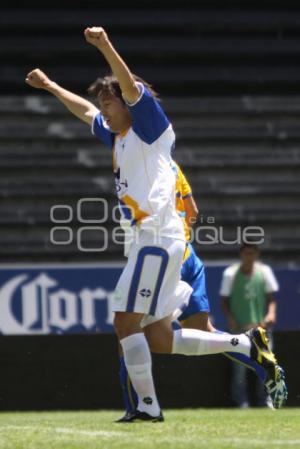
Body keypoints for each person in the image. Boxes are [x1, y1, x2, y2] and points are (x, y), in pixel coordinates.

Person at [25, 26, 285, 422]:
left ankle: (147, 408)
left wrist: (105, 45)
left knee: (124, 320)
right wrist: (51, 86)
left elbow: (129, 86)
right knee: (159, 338)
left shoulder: (150, 128)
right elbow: (86, 112)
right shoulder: (120, 138)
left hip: (156, 239)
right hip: (149, 243)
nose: (105, 109)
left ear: (130, 104)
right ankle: (245, 344)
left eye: (109, 102)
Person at [117, 162, 287, 420]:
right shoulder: (172, 166)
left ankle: (138, 407)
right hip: (187, 253)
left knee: (131, 329)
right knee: (191, 332)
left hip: (162, 254)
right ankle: (258, 359)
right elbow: (193, 211)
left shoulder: (142, 159)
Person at [220, 242, 280, 408]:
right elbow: (224, 300)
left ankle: (266, 401)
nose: (249, 257)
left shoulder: (265, 272)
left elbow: (271, 298)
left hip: (261, 329)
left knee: (266, 366)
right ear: (241, 254)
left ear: (257, 254)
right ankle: (241, 403)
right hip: (238, 330)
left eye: (252, 253)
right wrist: (230, 318)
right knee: (239, 369)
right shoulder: (230, 273)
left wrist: (271, 313)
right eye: (246, 253)